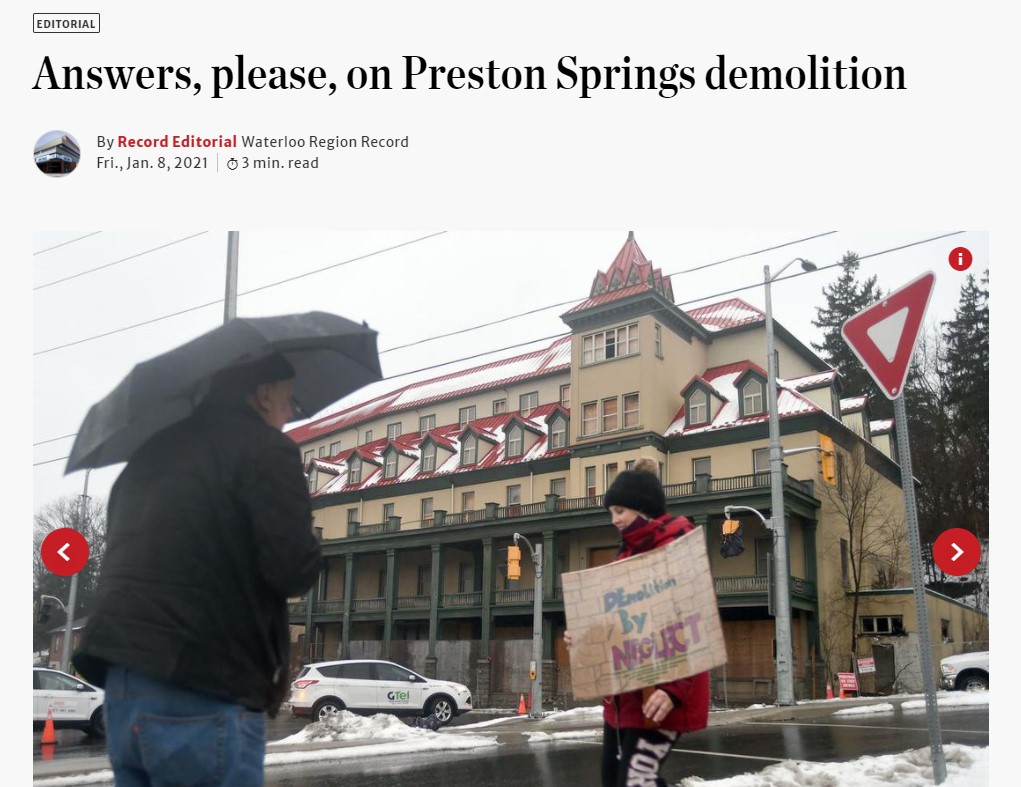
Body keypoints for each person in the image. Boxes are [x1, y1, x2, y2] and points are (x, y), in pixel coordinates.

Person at [74, 353, 324, 786]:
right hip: (205, 684)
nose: (290, 416)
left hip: (124, 686)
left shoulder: (146, 459)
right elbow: (292, 569)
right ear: (264, 394)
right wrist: (307, 535)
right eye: (291, 402)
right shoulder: (265, 448)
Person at [564, 457, 710, 787]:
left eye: (620, 511)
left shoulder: (676, 547)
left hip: (662, 695)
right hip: (624, 697)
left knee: (635, 781)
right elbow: (620, 625)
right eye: (611, 512)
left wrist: (673, 689)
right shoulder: (625, 555)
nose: (614, 519)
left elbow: (693, 620)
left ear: (643, 509)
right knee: (616, 781)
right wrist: (586, 636)